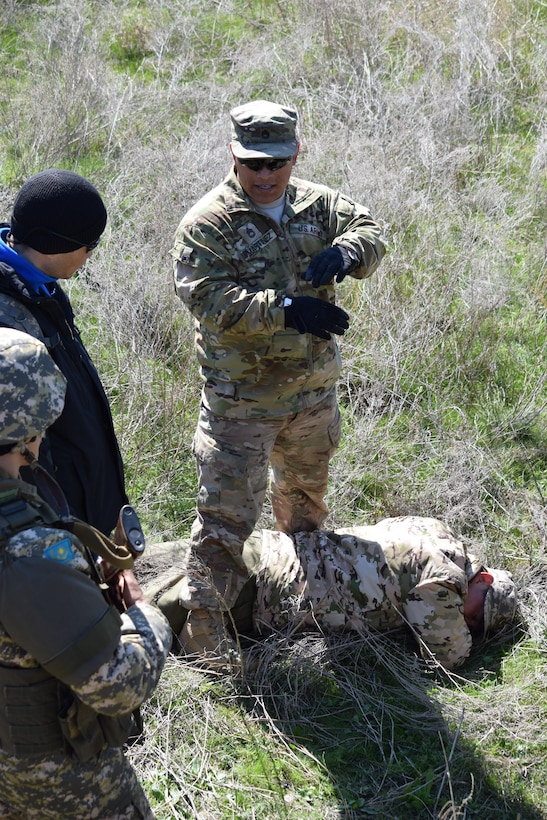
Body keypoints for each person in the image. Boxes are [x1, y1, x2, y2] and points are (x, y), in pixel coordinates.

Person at [170, 99, 386, 660]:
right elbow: (210, 302)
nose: (265, 176)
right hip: (241, 404)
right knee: (224, 521)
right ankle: (206, 633)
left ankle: (302, 603)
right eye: (252, 164)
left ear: (295, 154)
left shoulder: (319, 205)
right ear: (233, 158)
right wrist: (289, 310)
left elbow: (371, 230)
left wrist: (346, 252)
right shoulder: (208, 223)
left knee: (306, 507)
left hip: (312, 398)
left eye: (276, 163)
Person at [0, 327, 172, 819]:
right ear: (28, 429)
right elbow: (119, 687)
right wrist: (143, 613)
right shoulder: (29, 553)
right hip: (48, 781)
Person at [150, 516, 518, 672]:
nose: (467, 622)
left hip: (267, 548)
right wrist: (468, 640)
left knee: (135, 562)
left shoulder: (437, 531)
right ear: (482, 580)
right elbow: (447, 657)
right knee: (138, 613)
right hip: (267, 591)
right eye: (475, 616)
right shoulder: (444, 580)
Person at [0, 168, 127, 535]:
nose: (90, 255)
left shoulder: (38, 286)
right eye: (91, 245)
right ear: (58, 245)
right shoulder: (9, 318)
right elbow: (23, 452)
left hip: (84, 505)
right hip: (51, 521)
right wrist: (67, 531)